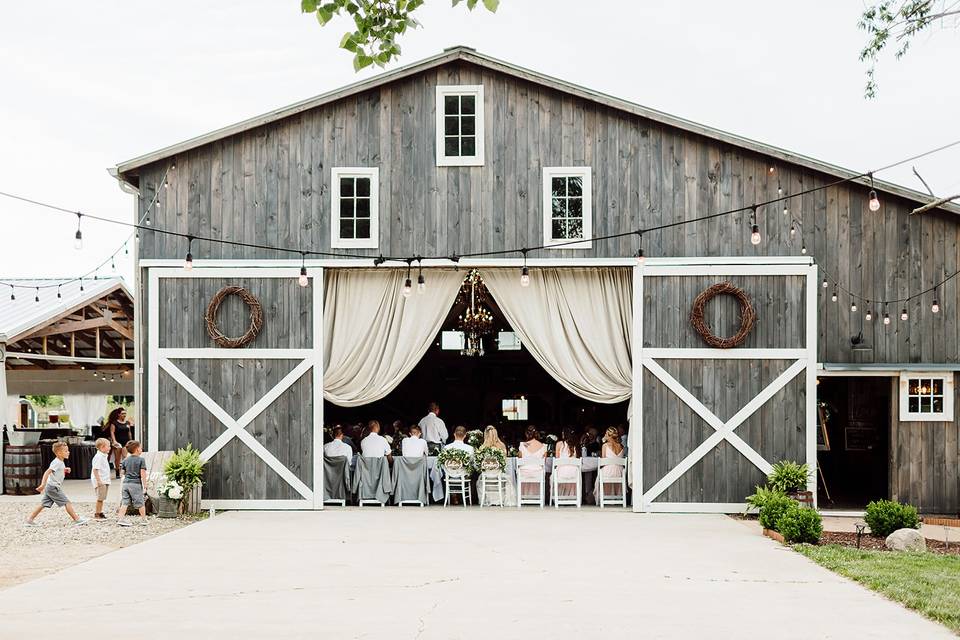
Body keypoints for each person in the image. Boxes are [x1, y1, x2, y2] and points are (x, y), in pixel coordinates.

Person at [25, 441, 89, 526]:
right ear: (59, 453)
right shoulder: (56, 462)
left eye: (68, 450)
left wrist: (64, 469)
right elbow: (47, 472)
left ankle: (30, 520)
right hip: (53, 487)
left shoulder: (60, 462)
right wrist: (42, 484)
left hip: (50, 487)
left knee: (43, 504)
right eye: (66, 451)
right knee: (67, 502)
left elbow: (57, 471)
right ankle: (76, 519)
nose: (68, 452)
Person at [478, 425, 517, 506]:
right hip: (499, 475)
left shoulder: (482, 447)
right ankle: (502, 499)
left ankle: (487, 500)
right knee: (507, 479)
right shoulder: (502, 446)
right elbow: (504, 462)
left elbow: (480, 463)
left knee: (478, 481)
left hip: (487, 476)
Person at [116, 441, 148, 527]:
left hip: (125, 484)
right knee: (140, 502)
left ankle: (121, 519)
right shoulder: (141, 460)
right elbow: (143, 474)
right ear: (137, 449)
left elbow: (121, 473)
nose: (141, 449)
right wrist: (145, 485)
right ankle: (144, 519)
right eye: (141, 448)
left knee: (125, 502)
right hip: (136, 484)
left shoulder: (125, 460)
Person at [594, 427, 626, 503]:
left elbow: (603, 460)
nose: (604, 435)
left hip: (608, 472)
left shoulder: (605, 445)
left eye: (605, 433)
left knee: (599, 476)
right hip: (620, 472)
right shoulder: (621, 446)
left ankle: (602, 498)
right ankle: (616, 498)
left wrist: (602, 442)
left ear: (609, 435)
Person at [517, 425, 547, 499]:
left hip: (524, 472)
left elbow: (520, 458)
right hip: (538, 472)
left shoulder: (523, 445)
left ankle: (523, 496)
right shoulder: (543, 446)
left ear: (526, 434)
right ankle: (538, 497)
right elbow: (544, 462)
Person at [106, 407, 134, 479]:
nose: (124, 415)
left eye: (125, 413)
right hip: (118, 442)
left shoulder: (127, 423)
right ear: (119, 414)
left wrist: (131, 441)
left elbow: (129, 432)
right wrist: (114, 441)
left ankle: (126, 471)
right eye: (122, 414)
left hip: (126, 442)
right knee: (117, 459)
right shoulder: (114, 423)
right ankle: (117, 472)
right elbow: (112, 432)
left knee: (126, 457)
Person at [554, 429, 581, 498]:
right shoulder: (576, 444)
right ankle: (572, 496)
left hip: (561, 472)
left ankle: (559, 497)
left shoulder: (559, 444)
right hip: (574, 472)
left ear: (564, 434)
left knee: (554, 474)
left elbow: (557, 460)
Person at [90, 437, 112, 519]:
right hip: (101, 480)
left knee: (102, 497)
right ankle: (97, 513)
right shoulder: (98, 457)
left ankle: (100, 512)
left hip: (104, 480)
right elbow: (95, 469)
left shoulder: (103, 456)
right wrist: (99, 481)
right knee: (100, 498)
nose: (110, 448)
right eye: (108, 446)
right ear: (102, 447)